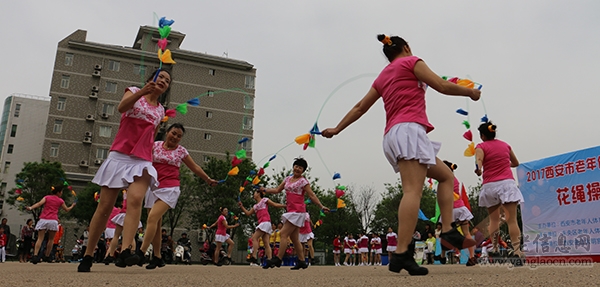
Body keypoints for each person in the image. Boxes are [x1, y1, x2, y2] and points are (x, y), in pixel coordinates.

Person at [321, 34, 479, 275]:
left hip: (395, 134)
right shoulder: (412, 62)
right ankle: (402, 252)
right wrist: (470, 94)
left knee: (446, 176)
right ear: (406, 47)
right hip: (409, 131)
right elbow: (442, 85)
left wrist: (337, 129)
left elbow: (360, 107)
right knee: (412, 190)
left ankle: (447, 229)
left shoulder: (383, 76)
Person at [78, 69, 170, 272]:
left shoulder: (161, 110)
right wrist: (142, 92)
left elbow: (153, 134)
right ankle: (88, 254)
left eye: (167, 80)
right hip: (120, 154)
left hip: (142, 159)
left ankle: (126, 249)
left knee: (136, 199)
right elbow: (122, 107)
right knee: (104, 209)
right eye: (161, 77)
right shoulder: (134, 90)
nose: (163, 81)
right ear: (150, 80)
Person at [141, 123, 217, 269]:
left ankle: (141, 252)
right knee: (156, 224)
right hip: (153, 187)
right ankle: (157, 257)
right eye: (173, 133)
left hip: (169, 188)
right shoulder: (155, 145)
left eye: (179, 136)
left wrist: (207, 179)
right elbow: (143, 159)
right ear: (167, 132)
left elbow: (195, 167)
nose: (175, 137)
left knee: (152, 218)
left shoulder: (181, 151)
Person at [261, 158, 330, 270]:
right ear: (293, 167)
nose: (297, 169)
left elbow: (311, 195)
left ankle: (278, 258)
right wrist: (265, 190)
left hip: (298, 212)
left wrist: (321, 206)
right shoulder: (288, 179)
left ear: (303, 170)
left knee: (283, 234)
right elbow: (278, 190)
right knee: (295, 238)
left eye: (300, 168)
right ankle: (302, 261)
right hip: (290, 211)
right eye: (296, 166)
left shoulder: (303, 182)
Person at [474, 121, 524, 266]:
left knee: (494, 220)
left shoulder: (481, 146)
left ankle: (495, 249)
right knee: (512, 220)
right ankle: (516, 252)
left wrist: (479, 169)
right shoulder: (505, 145)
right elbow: (516, 163)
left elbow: (479, 162)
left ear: (482, 135)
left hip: (489, 186)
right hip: (506, 184)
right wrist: (503, 163)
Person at [440, 160, 477, 266]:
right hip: (461, 208)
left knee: (445, 233)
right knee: (467, 233)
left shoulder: (443, 180)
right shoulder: (455, 179)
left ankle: (442, 255)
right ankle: (472, 257)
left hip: (449, 210)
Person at [27, 185, 76, 264]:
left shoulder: (47, 197)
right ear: (58, 192)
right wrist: (72, 206)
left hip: (43, 219)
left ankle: (35, 255)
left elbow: (39, 204)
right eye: (61, 192)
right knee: (51, 239)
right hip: (53, 220)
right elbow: (66, 209)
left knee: (40, 238)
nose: (62, 193)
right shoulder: (60, 200)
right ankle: (47, 256)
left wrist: (30, 208)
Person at [238, 189, 285, 265]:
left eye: (255, 193)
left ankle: (254, 256)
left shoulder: (264, 200)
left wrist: (284, 205)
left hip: (265, 222)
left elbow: (275, 205)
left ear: (259, 194)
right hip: (263, 223)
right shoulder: (255, 206)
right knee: (266, 243)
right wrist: (241, 206)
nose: (253, 194)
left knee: (254, 238)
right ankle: (270, 260)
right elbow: (248, 213)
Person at [104, 191, 142, 266]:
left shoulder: (125, 192)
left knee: (116, 236)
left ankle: (111, 254)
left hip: (122, 214)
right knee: (131, 237)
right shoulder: (136, 192)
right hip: (131, 215)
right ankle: (132, 252)